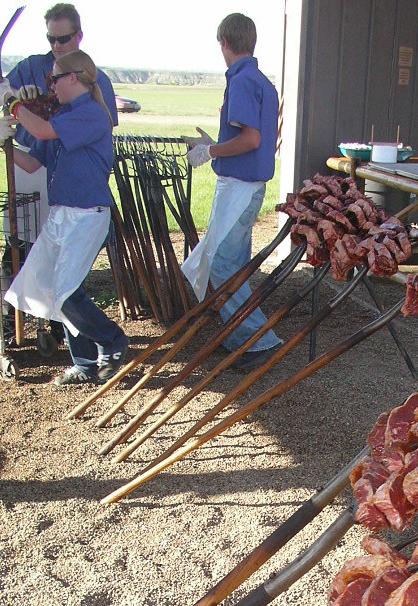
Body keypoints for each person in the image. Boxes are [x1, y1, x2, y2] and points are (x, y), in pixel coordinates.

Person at [0, 50, 128, 385]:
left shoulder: (92, 115)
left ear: (74, 77)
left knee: (66, 291)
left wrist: (13, 104)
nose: (49, 84)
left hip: (87, 215)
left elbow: (39, 131)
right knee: (55, 290)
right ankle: (85, 365)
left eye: (55, 78)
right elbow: (32, 163)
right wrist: (6, 145)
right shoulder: (63, 117)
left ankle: (112, 340)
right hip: (62, 215)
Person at [181, 13, 282, 371]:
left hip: (240, 188)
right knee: (234, 265)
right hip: (249, 184)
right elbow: (252, 139)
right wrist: (216, 143)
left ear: (224, 43)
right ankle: (243, 334)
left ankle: (257, 341)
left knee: (222, 265)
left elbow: (251, 139)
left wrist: (211, 152)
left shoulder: (241, 82)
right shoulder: (262, 82)